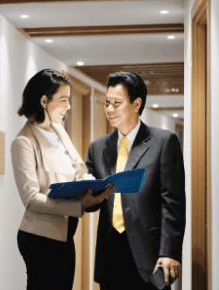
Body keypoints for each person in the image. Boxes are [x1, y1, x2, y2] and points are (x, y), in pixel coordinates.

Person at [11, 69, 115, 290]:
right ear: (44, 101)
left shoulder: (59, 131)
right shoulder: (23, 142)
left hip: (66, 233)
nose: (69, 107)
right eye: (64, 100)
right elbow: (30, 199)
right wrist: (79, 204)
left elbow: (79, 170)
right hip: (39, 238)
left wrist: (94, 185)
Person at [85, 71, 186, 290]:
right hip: (110, 255)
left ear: (136, 103)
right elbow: (91, 201)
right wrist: (80, 194)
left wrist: (169, 252)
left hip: (150, 256)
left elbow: (174, 204)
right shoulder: (98, 148)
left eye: (117, 103)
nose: (109, 109)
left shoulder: (163, 142)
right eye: (107, 103)